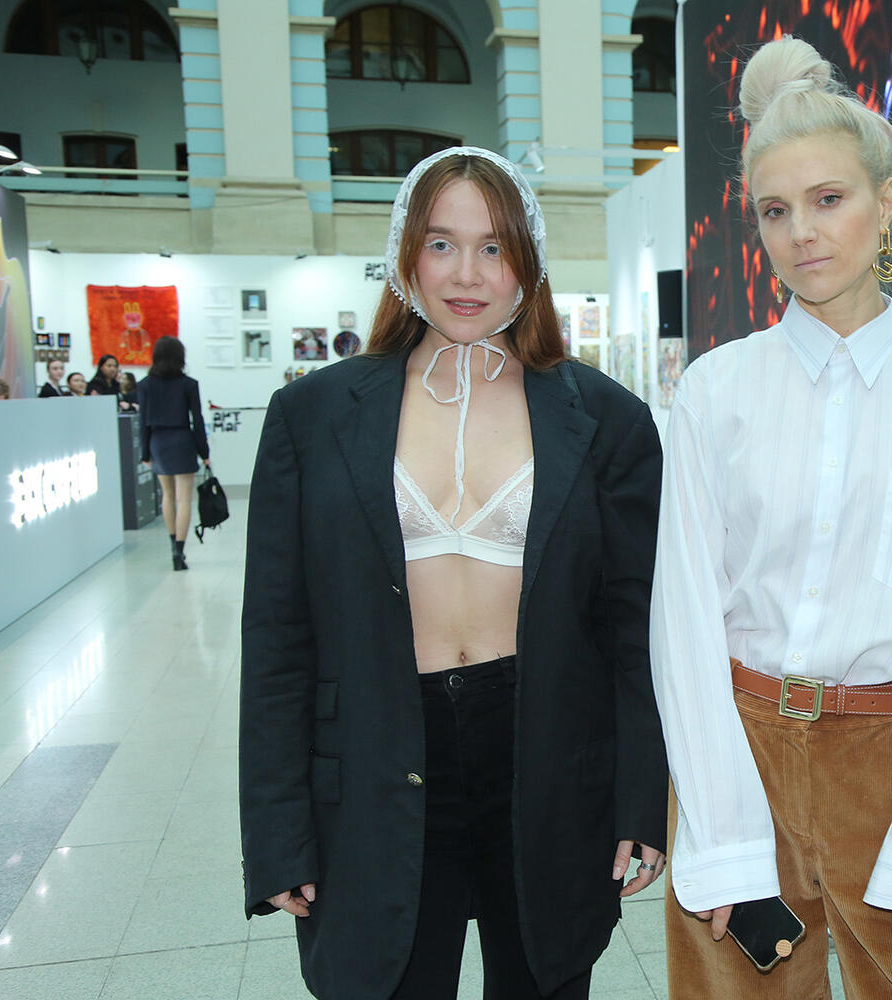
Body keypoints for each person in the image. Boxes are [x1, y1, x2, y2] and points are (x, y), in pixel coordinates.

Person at [238, 146, 668, 1000]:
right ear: (405, 255)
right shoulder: (311, 417)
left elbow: (634, 629)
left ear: (527, 262)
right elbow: (278, 640)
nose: (467, 274)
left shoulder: (607, 420)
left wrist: (640, 801)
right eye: (441, 244)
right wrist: (278, 835)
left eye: (493, 247)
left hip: (548, 757)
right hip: (377, 755)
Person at [650, 37, 892, 999]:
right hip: (741, 752)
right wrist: (723, 831)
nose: (802, 233)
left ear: (885, 202)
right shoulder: (714, 392)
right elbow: (683, 624)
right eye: (776, 210)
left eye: (828, 199)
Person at [137, 336, 210, 571]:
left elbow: (142, 422)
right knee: (184, 498)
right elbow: (197, 420)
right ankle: (180, 550)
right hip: (182, 439)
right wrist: (204, 451)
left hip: (158, 441)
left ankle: (172, 545)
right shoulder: (189, 384)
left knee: (167, 496)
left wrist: (145, 452)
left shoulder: (145, 385)